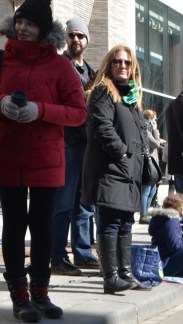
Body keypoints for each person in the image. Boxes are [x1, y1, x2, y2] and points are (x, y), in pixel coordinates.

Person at [0, 2, 87, 320]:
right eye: (19, 21)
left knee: (42, 226)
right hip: (8, 154)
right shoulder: (2, 60)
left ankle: (41, 293)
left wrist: (41, 110)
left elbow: (79, 113)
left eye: (30, 24)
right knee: (12, 226)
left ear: (44, 30)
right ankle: (20, 298)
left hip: (47, 158)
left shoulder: (60, 66)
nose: (22, 27)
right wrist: (2, 103)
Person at [82, 44, 150, 294]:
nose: (123, 66)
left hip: (128, 171)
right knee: (110, 223)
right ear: (109, 65)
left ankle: (126, 274)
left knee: (125, 223)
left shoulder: (131, 97)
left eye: (127, 63)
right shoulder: (103, 92)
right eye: (117, 62)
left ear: (134, 68)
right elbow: (102, 128)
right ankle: (110, 277)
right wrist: (122, 152)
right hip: (110, 168)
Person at [50, 17, 100, 277]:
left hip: (87, 145)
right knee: (63, 204)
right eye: (72, 35)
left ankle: (82, 252)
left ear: (87, 40)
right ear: (66, 39)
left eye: (81, 35)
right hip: (67, 144)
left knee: (84, 205)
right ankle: (57, 256)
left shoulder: (91, 72)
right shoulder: (60, 66)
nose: (76, 39)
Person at [139, 109, 165, 224]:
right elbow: (155, 144)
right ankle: (143, 215)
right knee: (146, 190)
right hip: (148, 165)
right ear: (149, 118)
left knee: (153, 191)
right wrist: (155, 130)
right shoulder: (145, 131)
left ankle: (146, 213)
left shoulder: (149, 130)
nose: (155, 120)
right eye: (154, 118)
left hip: (154, 165)